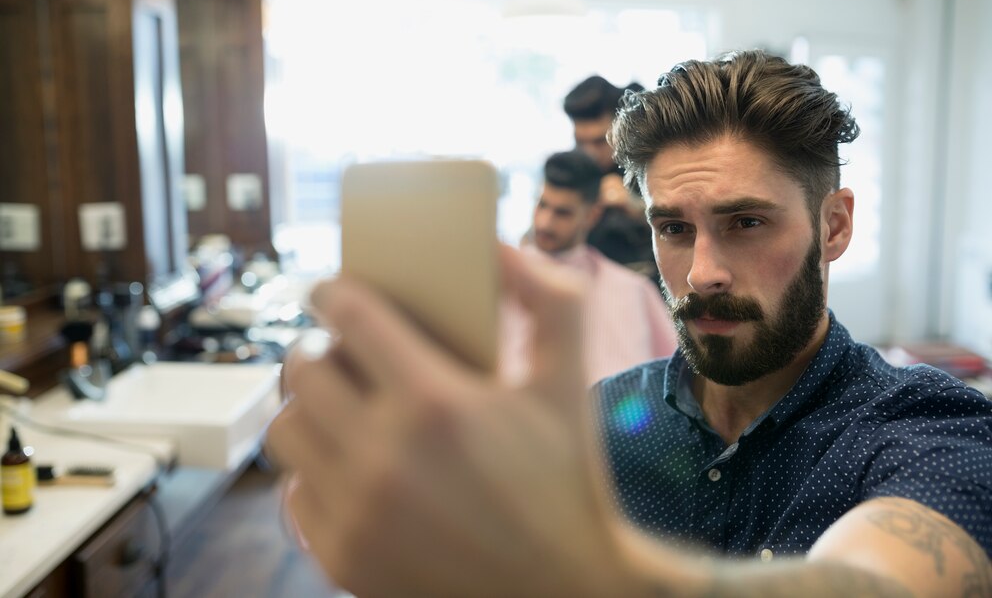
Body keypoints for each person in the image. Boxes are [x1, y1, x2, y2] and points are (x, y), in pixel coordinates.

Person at [266, 50, 992, 598]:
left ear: (833, 226)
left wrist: (569, 563)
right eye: (673, 228)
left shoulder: (932, 428)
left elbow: (883, 583)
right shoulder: (600, 418)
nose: (703, 269)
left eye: (746, 222)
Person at [502, 150, 676, 384]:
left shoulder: (632, 290)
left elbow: (671, 374)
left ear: (592, 215)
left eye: (562, 212)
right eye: (542, 205)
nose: (544, 222)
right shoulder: (500, 279)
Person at [564, 75, 656, 275]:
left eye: (599, 142)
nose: (589, 153)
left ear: (620, 127)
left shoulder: (647, 165)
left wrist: (634, 207)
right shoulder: (571, 172)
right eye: (581, 142)